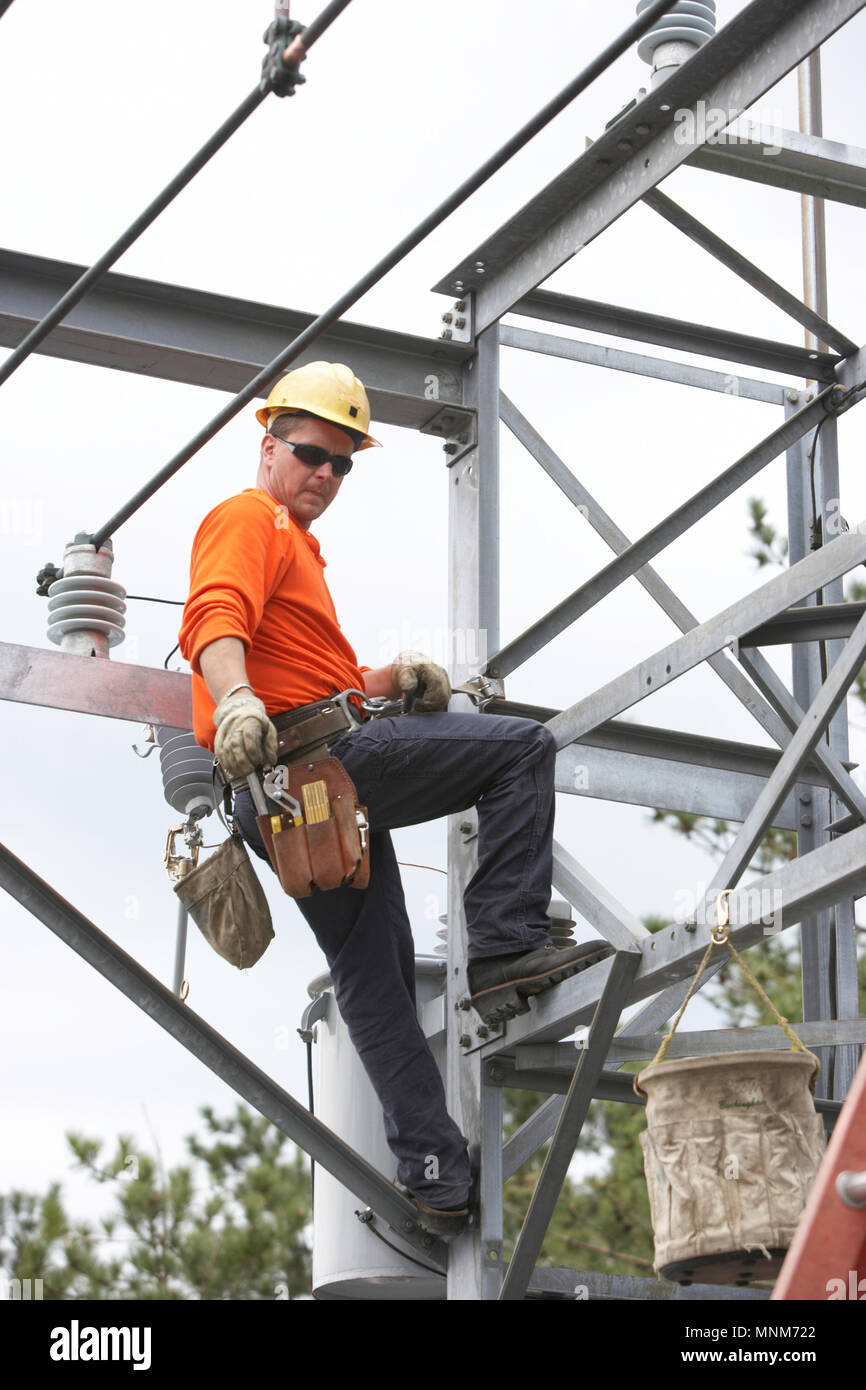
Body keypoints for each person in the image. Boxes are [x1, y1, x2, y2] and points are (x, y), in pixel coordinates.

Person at [178, 361, 612, 1237]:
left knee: (372, 981)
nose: (327, 476)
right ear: (268, 446)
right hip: (320, 765)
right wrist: (233, 700)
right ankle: (503, 949)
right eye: (311, 455)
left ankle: (435, 1175)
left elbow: (304, 672)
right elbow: (213, 619)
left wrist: (385, 681)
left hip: (298, 788)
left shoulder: (298, 545)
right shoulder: (247, 516)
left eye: (344, 464)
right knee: (523, 748)